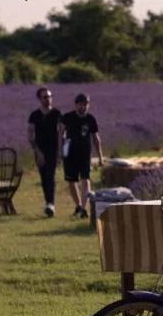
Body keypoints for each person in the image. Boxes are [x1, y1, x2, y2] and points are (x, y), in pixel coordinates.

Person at [60, 92, 105, 218]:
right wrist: (61, 149)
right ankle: (78, 205)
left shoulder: (91, 119)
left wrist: (100, 156)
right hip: (70, 154)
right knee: (71, 181)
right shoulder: (67, 117)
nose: (82, 107)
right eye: (80, 104)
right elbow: (61, 133)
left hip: (85, 154)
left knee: (85, 179)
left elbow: (96, 138)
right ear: (76, 105)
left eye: (85, 104)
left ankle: (84, 208)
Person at [26, 87, 62, 217]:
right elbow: (30, 135)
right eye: (45, 97)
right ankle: (48, 202)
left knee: (50, 175)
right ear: (39, 99)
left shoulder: (57, 114)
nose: (48, 99)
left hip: (53, 149)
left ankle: (51, 204)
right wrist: (37, 151)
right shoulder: (34, 115)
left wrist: (60, 150)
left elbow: (62, 132)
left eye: (50, 96)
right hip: (40, 150)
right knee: (43, 177)